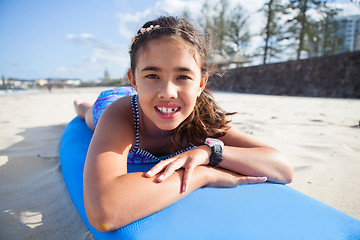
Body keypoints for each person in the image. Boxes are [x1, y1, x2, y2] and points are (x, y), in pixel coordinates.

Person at [74, 16, 293, 232]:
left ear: (201, 83)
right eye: (152, 75)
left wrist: (209, 153)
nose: (168, 92)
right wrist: (203, 174)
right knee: (89, 116)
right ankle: (80, 105)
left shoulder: (202, 121)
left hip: (148, 100)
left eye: (182, 77)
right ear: (133, 80)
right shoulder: (120, 116)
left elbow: (282, 169)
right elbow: (103, 212)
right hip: (112, 103)